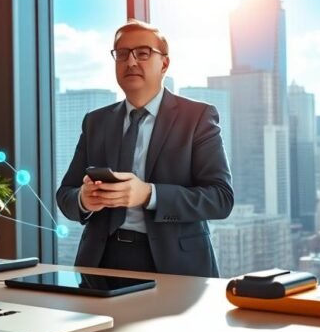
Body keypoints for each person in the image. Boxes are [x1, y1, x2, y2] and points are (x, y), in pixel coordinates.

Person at [56, 19, 233, 277]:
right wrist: (84, 199)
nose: (130, 62)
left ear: (164, 64)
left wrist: (148, 195)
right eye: (122, 54)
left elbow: (220, 199)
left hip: (176, 265)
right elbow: (65, 194)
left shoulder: (197, 117)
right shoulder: (96, 121)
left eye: (142, 53)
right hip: (100, 261)